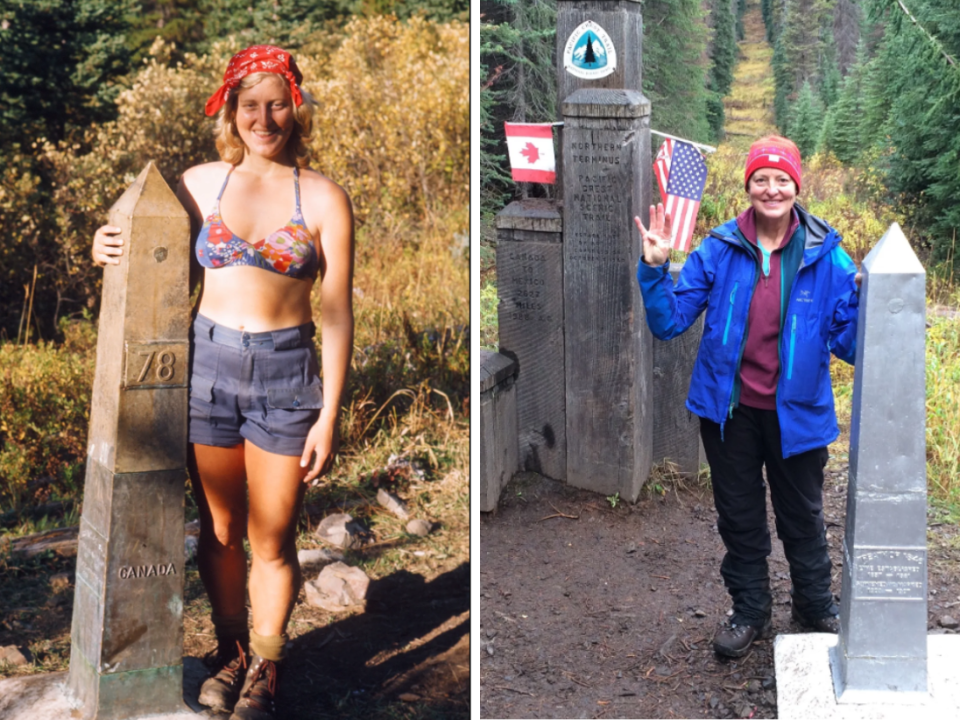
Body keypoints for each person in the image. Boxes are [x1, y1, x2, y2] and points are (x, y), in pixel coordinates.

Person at [92, 45, 355, 718]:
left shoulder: (322, 196)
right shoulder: (198, 183)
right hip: (204, 368)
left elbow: (335, 312)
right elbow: (154, 262)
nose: (263, 119)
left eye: (276, 104)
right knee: (218, 528)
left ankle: (266, 666)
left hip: (286, 375)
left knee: (272, 537)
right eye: (250, 106)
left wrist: (328, 414)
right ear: (230, 112)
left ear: (294, 109)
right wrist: (106, 245)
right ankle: (231, 648)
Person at [634, 136, 859, 658]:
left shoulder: (829, 256)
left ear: (796, 187)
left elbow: (850, 342)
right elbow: (669, 323)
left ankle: (814, 603)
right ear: (749, 187)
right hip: (728, 413)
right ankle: (750, 609)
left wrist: (874, 302)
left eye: (782, 179)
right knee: (739, 515)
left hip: (798, 415)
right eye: (761, 178)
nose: (772, 188)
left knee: (802, 515)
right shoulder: (718, 248)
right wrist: (654, 268)